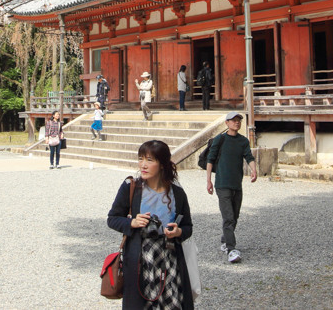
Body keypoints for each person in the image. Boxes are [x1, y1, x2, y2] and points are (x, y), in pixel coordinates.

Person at [107, 140, 194, 310]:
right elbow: (112, 218)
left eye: (150, 160)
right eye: (141, 159)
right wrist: (132, 222)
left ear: (162, 164)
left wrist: (178, 233)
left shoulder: (177, 193)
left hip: (170, 260)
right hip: (140, 259)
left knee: (172, 305)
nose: (143, 165)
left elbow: (188, 227)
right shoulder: (131, 187)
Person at [205, 111, 257, 264]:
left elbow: (249, 157)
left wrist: (254, 170)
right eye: (233, 120)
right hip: (222, 184)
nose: (237, 123)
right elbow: (210, 159)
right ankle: (231, 249)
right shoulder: (220, 140)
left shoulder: (243, 141)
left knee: (234, 216)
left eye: (239, 120)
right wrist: (208, 181)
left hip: (237, 184)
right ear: (227, 123)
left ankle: (224, 239)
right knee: (228, 217)